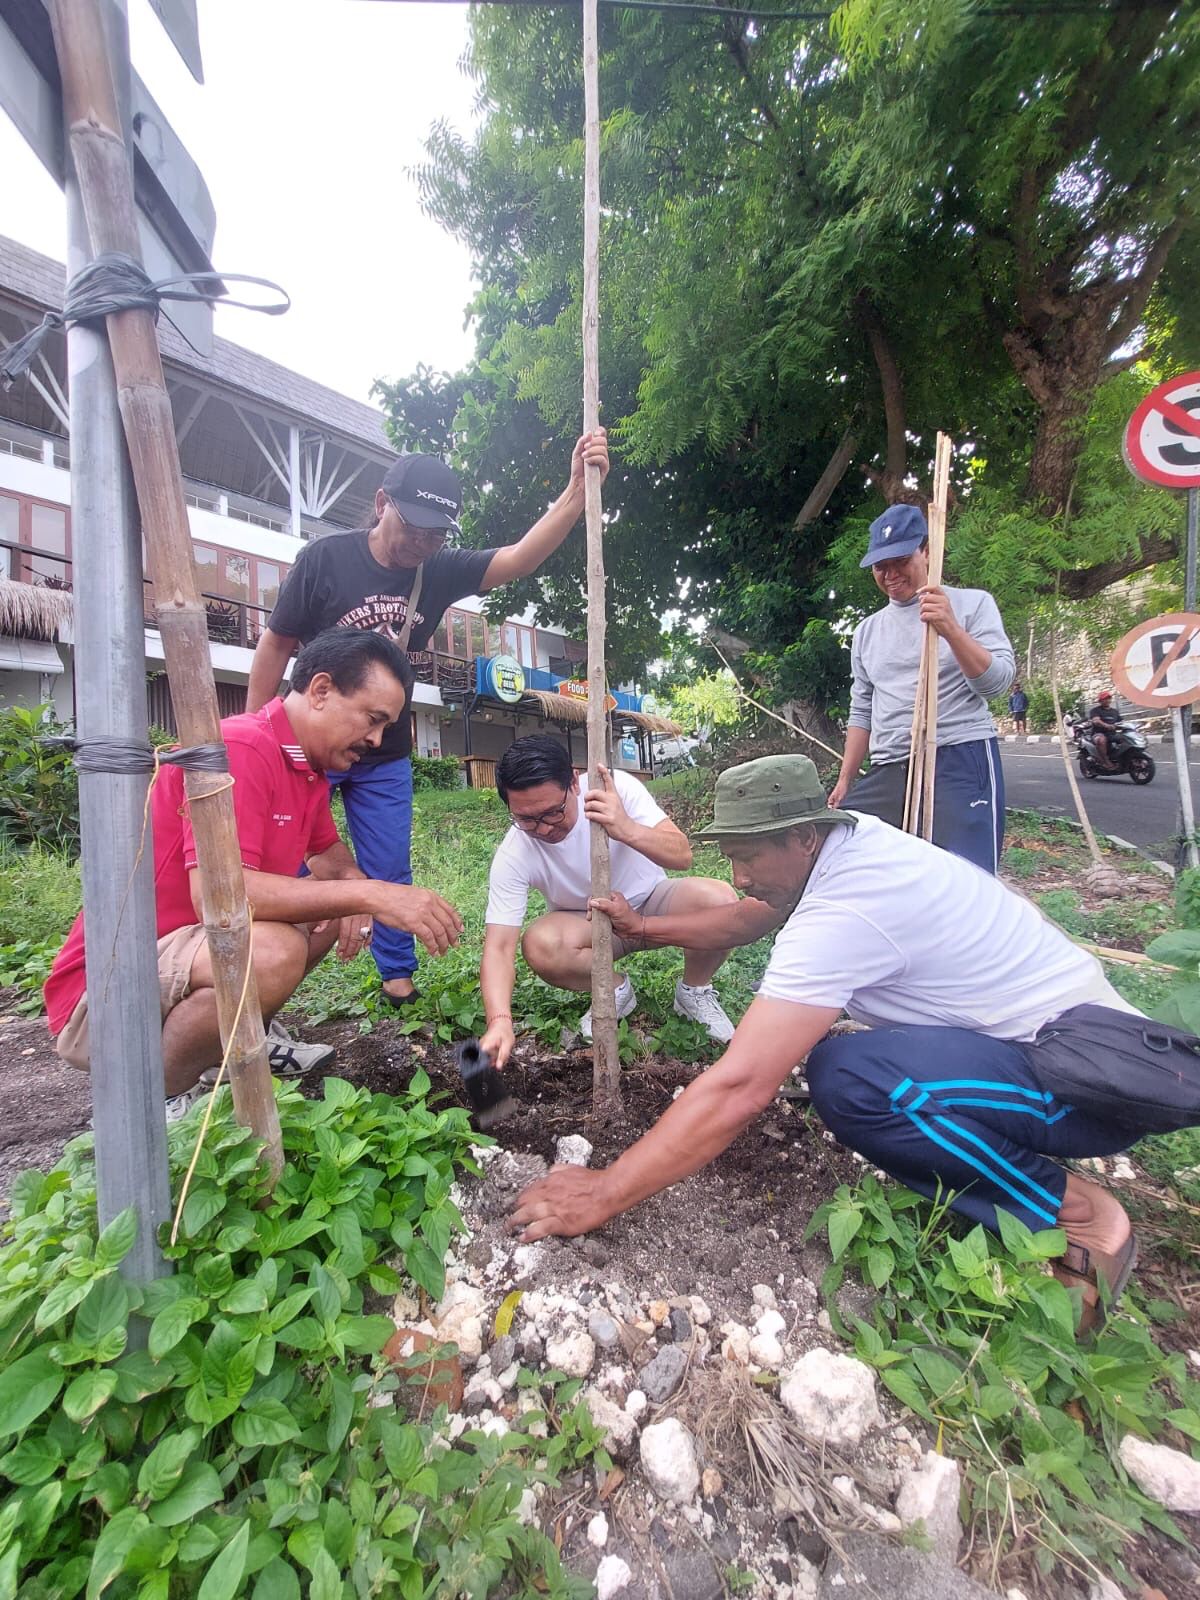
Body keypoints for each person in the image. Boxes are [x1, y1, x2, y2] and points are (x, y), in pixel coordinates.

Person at [510, 754, 1197, 1328]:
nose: (740, 876)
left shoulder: (848, 907)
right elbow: (746, 919)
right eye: (731, 857)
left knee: (856, 1079)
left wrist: (604, 1192)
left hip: (1084, 1084)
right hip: (1045, 1050)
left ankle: (1078, 1214)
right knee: (849, 1061)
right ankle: (997, 1183)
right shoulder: (849, 841)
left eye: (749, 856)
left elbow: (742, 1086)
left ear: (805, 837)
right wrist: (641, 929)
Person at [246, 432, 610, 1009]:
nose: (422, 541)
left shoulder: (437, 572)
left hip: (382, 752)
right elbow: (274, 646)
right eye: (412, 526)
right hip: (313, 746)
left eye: (435, 533)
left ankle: (396, 976)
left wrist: (573, 493)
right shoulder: (324, 560)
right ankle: (258, 982)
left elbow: (518, 558)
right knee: (282, 861)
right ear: (380, 503)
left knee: (388, 863)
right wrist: (255, 739)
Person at [45, 629, 464, 1118]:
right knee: (271, 951)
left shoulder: (304, 764)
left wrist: (352, 886)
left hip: (175, 959)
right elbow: (216, 898)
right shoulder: (241, 747)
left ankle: (237, 1042)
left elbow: (326, 851)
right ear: (322, 690)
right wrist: (372, 895)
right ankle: (147, 1106)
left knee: (328, 908)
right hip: (106, 995)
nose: (375, 740)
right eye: (373, 720)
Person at [479, 734, 739, 1064]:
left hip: (652, 903)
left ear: (574, 782)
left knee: (720, 903)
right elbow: (499, 946)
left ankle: (694, 990)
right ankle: (614, 991)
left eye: (552, 813)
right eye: (527, 819)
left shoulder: (614, 789)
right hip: (587, 924)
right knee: (541, 943)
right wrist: (499, 1020)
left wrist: (625, 827)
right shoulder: (515, 851)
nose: (543, 829)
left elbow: (682, 855)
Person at [828, 503, 1015, 873]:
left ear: (926, 551)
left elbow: (997, 685)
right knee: (840, 845)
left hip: (959, 754)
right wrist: (847, 777)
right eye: (881, 566)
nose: (890, 573)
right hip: (890, 765)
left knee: (966, 877)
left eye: (901, 560)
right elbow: (862, 710)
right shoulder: (867, 632)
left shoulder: (971, 605)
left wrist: (951, 630)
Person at [1089, 690, 1121, 770]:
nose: (1107, 700)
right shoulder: (1095, 710)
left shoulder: (1115, 711)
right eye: (1104, 699)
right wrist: (1106, 725)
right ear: (1100, 701)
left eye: (1109, 698)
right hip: (1098, 733)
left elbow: (1121, 722)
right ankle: (1105, 761)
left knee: (1127, 738)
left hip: (1112, 734)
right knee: (1101, 740)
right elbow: (1096, 720)